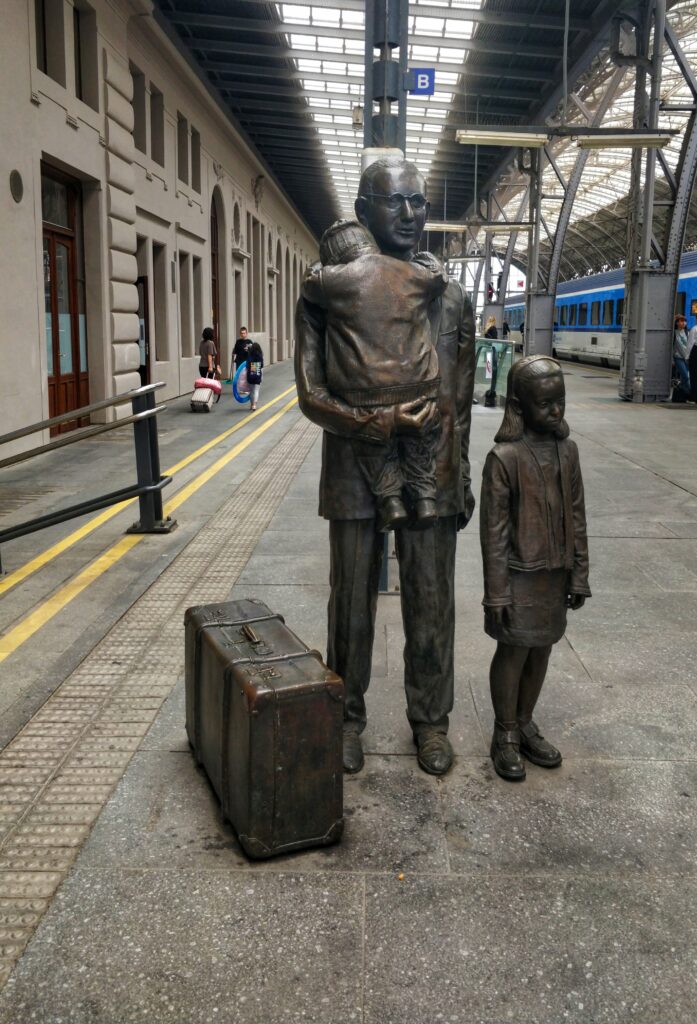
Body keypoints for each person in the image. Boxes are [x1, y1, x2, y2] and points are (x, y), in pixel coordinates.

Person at [295, 155, 476, 777]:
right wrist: (376, 423)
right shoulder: (326, 290)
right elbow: (310, 394)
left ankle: (432, 721)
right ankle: (346, 716)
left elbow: (462, 393)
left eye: (419, 201)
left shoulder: (450, 295)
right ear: (363, 211)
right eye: (395, 202)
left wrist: (465, 472)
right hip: (354, 461)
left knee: (432, 597)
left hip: (437, 462)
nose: (411, 214)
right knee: (351, 599)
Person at [480, 356, 590, 782]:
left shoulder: (569, 451)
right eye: (546, 404)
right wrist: (497, 592)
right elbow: (493, 534)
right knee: (513, 651)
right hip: (517, 574)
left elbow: (578, 515)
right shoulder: (504, 458)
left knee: (542, 646)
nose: (556, 412)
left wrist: (579, 572)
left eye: (560, 402)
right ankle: (504, 732)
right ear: (520, 407)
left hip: (554, 573)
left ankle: (525, 722)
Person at [301, 218, 447, 531]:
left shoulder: (333, 280)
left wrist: (318, 268)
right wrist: (427, 259)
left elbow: (310, 284)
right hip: (420, 385)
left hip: (366, 393)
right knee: (423, 436)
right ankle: (424, 496)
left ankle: (390, 499)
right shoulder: (412, 273)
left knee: (375, 452)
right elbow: (438, 276)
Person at [672, 314, 690, 400]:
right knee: (685, 376)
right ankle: (689, 393)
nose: (683, 323)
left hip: (687, 358)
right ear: (677, 323)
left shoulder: (687, 332)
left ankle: (683, 395)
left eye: (684, 321)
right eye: (681, 321)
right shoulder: (674, 333)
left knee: (685, 378)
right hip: (678, 357)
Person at [247, 341, 264, 411]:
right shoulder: (260, 356)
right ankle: (254, 405)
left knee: (251, 391)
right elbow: (262, 365)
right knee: (256, 390)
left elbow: (247, 365)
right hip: (257, 373)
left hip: (250, 374)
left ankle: (251, 404)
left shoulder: (250, 356)